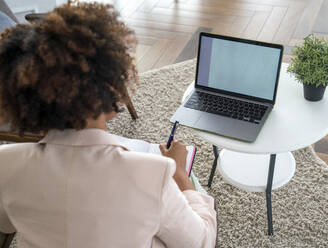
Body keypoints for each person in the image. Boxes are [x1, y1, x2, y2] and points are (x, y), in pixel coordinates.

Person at [0, 2, 217, 248]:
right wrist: (178, 171)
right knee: (194, 192)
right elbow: (200, 242)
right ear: (113, 85)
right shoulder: (154, 174)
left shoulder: (5, 164)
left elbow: (5, 225)